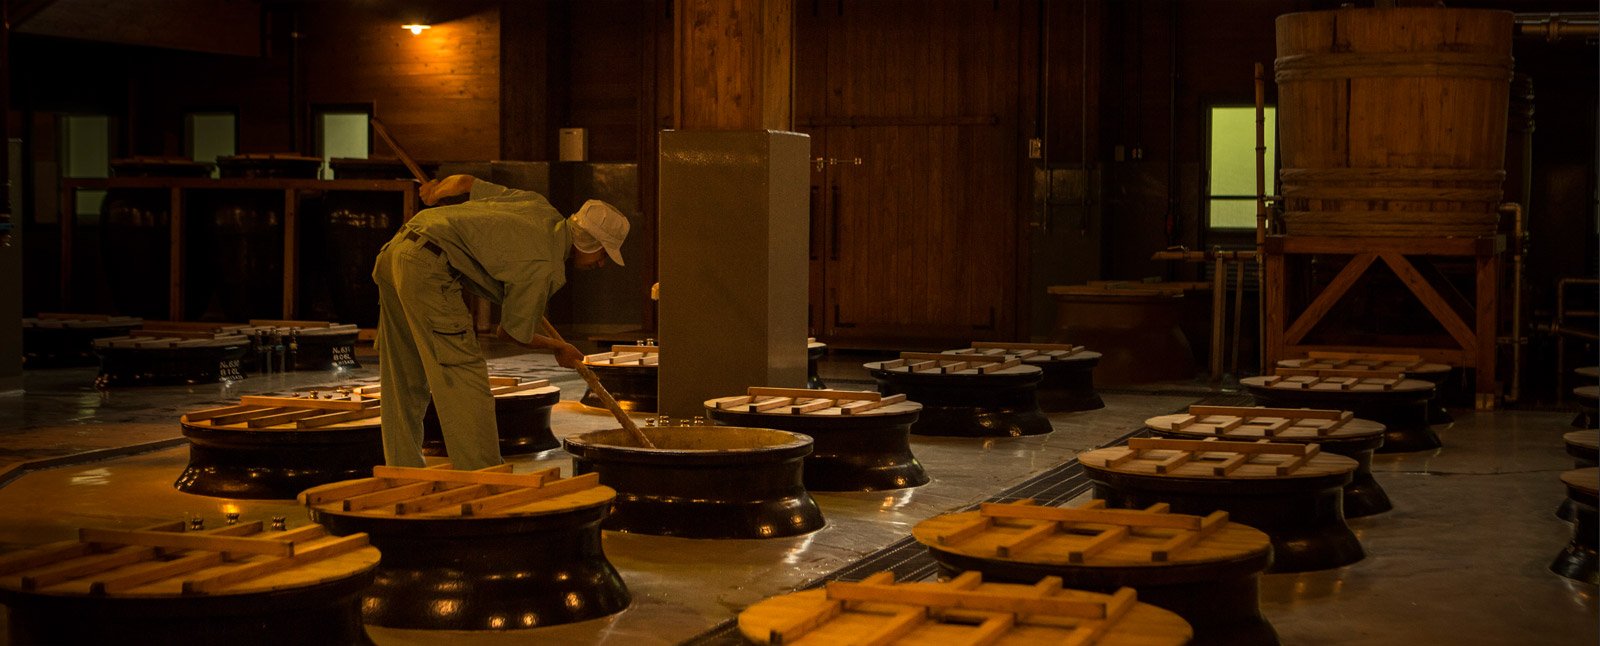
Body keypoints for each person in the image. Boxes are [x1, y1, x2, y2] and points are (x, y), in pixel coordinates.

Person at [371, 174, 630, 471]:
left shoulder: (537, 205)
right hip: (427, 268)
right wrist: (558, 346)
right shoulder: (545, 265)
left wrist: (435, 191)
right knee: (463, 375)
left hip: (396, 252)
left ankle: (402, 470)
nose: (602, 262)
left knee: (403, 374)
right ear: (588, 241)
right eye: (602, 253)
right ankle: (484, 475)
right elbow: (510, 332)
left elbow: (465, 183)